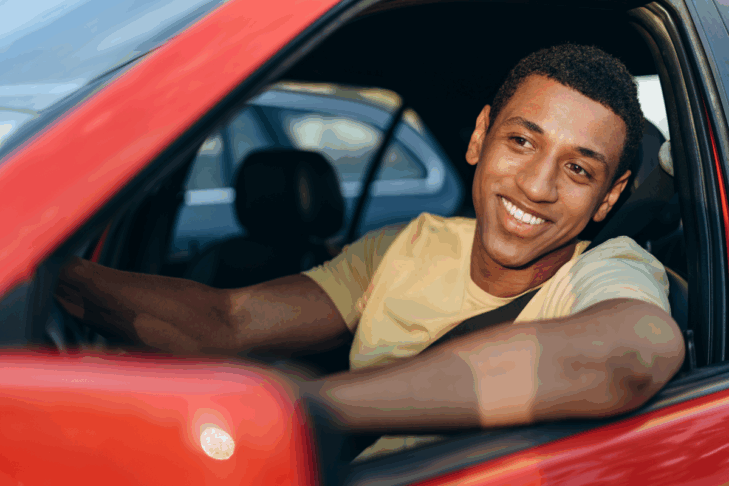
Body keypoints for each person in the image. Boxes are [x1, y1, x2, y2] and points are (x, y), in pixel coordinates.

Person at [55, 44, 685, 457]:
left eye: (579, 171)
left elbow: (628, 354)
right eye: (521, 142)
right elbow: (230, 321)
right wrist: (63, 279)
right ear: (478, 137)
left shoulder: (609, 267)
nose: (537, 186)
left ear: (608, 198)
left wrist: (309, 409)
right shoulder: (406, 245)